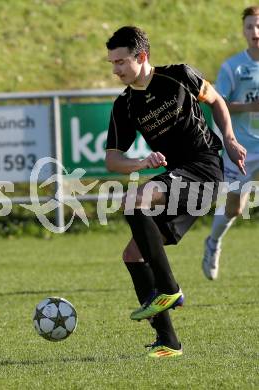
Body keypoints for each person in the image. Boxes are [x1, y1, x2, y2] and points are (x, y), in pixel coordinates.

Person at [105, 26, 246, 358]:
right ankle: (168, 341)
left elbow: (216, 100)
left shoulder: (179, 76)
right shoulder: (124, 105)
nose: (115, 70)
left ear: (142, 57)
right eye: (111, 63)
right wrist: (140, 162)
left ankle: (169, 289)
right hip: (176, 178)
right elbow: (112, 159)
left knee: (134, 200)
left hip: (204, 168)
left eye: (121, 61)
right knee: (133, 255)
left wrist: (228, 138)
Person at [202, 6, 259, 281]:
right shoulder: (233, 67)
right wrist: (252, 106)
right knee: (235, 208)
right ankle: (213, 243)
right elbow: (218, 103)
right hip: (243, 149)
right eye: (250, 26)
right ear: (243, 31)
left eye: (258, 26)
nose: (255, 32)